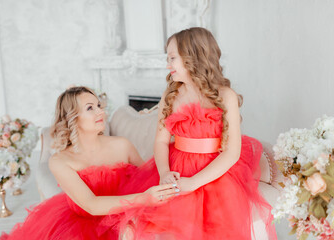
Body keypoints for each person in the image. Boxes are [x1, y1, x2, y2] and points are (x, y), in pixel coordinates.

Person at [101, 27, 278, 240]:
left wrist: (193, 182)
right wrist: (165, 173)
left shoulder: (225, 96)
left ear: (192, 57)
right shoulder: (171, 94)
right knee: (163, 226)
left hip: (214, 173)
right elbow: (161, 141)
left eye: (172, 58)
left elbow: (231, 153)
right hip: (176, 169)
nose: (168, 65)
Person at [0, 86, 178, 240]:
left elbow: (146, 177)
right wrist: (144, 198)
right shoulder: (60, 161)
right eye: (90, 108)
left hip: (124, 213)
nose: (101, 112)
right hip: (84, 223)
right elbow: (91, 205)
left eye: (99, 105)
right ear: (72, 118)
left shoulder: (122, 145)